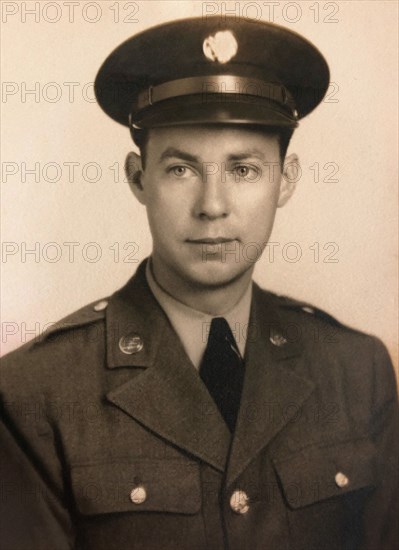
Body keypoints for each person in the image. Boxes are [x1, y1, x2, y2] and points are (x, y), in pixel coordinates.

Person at [1, 15, 397, 550]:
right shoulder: (36, 392)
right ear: (139, 179)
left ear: (287, 180)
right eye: (181, 169)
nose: (212, 207)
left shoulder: (357, 371)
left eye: (244, 170)